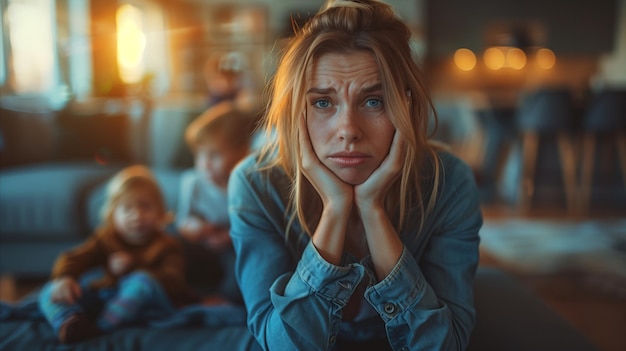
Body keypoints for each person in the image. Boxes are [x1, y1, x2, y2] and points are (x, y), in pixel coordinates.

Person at [227, 1, 483, 350]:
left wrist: (373, 211)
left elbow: (442, 345)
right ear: (294, 112)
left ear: (404, 107)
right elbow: (281, 344)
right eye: (322, 103)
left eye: (374, 101)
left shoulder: (448, 182)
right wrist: (335, 209)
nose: (348, 129)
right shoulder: (256, 185)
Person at [38, 165, 190, 344]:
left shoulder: (167, 245)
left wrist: (134, 267)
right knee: (50, 290)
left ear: (160, 212)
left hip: (148, 304)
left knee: (141, 281)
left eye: (145, 206)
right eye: (127, 208)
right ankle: (70, 321)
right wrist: (65, 277)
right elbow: (74, 257)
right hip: (109, 299)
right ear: (112, 214)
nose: (137, 215)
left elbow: (174, 280)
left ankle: (100, 328)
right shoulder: (106, 239)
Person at [177, 101, 258, 304]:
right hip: (204, 241)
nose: (204, 164)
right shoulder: (192, 182)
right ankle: (177, 289)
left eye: (214, 155)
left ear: (243, 151)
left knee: (246, 252)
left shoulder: (250, 183)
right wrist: (194, 228)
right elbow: (183, 220)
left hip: (236, 241)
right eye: (199, 155)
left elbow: (259, 224)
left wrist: (230, 237)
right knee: (168, 240)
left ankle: (225, 297)